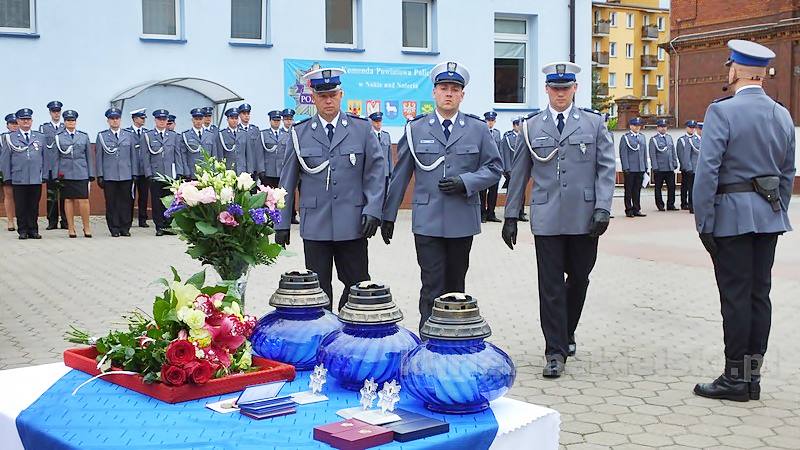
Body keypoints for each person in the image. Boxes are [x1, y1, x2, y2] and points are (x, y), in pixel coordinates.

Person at [693, 40, 795, 402]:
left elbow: (707, 170)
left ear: (735, 71)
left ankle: (734, 378)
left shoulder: (722, 112)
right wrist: (776, 208)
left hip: (731, 218)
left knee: (735, 298)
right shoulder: (782, 115)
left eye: (728, 67)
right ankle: (752, 377)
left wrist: (703, 220)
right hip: (768, 217)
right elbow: (787, 172)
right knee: (758, 296)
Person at [502, 62, 615, 378]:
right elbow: (519, 174)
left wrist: (603, 208)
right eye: (555, 89)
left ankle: (567, 331)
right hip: (547, 216)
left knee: (579, 278)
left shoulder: (593, 124)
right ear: (547, 90)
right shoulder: (532, 127)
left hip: (584, 216)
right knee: (550, 285)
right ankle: (554, 351)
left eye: (566, 88)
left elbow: (605, 169)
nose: (560, 94)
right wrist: (511, 215)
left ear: (575, 89)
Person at [382, 61, 502, 331]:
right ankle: (428, 339)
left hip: (462, 218)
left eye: (454, 89)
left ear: (462, 95)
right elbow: (401, 174)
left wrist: (466, 181)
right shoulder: (415, 129)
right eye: (443, 88)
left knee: (456, 284)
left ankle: (455, 336)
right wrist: (388, 216)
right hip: (428, 220)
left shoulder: (478, 129)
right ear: (434, 93)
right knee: (431, 283)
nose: (449, 93)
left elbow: (495, 168)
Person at [276, 67, 385, 311]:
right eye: (322, 95)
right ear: (313, 98)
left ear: (341, 95)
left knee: (357, 285)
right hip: (316, 225)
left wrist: (374, 209)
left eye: (332, 95)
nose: (328, 100)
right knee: (318, 289)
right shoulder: (299, 133)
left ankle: (349, 335)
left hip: (353, 223)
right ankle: (323, 338)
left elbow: (376, 173)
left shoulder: (361, 129)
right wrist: (282, 223)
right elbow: (287, 180)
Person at [0, 109, 46, 239]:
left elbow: (45, 157)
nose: (26, 121)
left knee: (33, 205)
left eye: (28, 119)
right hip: (18, 177)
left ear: (31, 121)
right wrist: (7, 177)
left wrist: (45, 174)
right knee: (20, 206)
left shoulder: (39, 137)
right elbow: (5, 159)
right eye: (22, 119)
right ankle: (23, 230)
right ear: (18, 121)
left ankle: (33, 230)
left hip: (35, 177)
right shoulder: (10, 137)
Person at [96, 108, 136, 237]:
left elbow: (133, 156)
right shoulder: (102, 136)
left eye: (117, 118)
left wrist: (134, 172)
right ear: (108, 120)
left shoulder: (128, 135)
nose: (115, 121)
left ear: (120, 120)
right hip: (110, 175)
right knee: (111, 202)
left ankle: (125, 227)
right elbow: (99, 157)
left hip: (126, 174)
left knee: (126, 201)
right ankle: (114, 228)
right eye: (112, 118)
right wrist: (100, 174)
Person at [54, 110, 94, 238]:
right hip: (65, 173)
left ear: (76, 122)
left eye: (73, 120)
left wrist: (91, 173)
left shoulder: (83, 136)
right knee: (68, 200)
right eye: (68, 120)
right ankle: (71, 228)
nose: (71, 122)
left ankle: (86, 227)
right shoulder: (59, 137)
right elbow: (56, 158)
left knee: (84, 200)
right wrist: (56, 174)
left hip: (81, 171)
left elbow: (89, 156)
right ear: (64, 122)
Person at [143, 109, 182, 236]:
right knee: (157, 202)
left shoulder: (174, 136)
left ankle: (169, 225)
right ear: (155, 120)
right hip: (155, 174)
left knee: (171, 201)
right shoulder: (148, 136)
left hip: (170, 175)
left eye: (164, 120)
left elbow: (178, 155)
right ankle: (159, 226)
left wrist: (179, 172)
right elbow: (145, 157)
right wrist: (148, 173)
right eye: (159, 119)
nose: (162, 122)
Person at [40, 100, 66, 230]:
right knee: (52, 195)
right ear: (50, 112)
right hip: (50, 167)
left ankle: (66, 220)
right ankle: (52, 221)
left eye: (58, 111)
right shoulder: (44, 128)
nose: (56, 114)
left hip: (63, 166)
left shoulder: (65, 126)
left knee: (65, 194)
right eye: (54, 111)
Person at [500, 116, 530, 222]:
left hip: (521, 169)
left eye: (521, 124)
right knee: (512, 192)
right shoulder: (508, 138)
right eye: (518, 124)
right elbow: (505, 154)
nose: (520, 126)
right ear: (514, 125)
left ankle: (521, 212)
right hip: (511, 169)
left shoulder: (525, 136)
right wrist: (507, 170)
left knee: (522, 192)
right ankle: (511, 213)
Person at [126, 108, 150, 228]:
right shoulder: (127, 132)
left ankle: (143, 219)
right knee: (131, 196)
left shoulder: (147, 132)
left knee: (144, 195)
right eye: (141, 118)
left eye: (144, 118)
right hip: (132, 169)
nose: (143, 120)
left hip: (144, 169)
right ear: (135, 119)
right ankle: (128, 219)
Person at [619, 117, 648, 218]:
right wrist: (625, 167)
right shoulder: (626, 138)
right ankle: (629, 209)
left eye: (638, 125)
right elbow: (623, 153)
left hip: (640, 168)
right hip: (630, 168)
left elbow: (644, 153)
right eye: (635, 125)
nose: (637, 127)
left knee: (637, 190)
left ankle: (637, 209)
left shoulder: (642, 137)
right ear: (631, 126)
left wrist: (645, 166)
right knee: (629, 190)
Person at [649, 118, 678, 211]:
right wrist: (655, 167)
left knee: (672, 187)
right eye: (661, 127)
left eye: (665, 127)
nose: (663, 129)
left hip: (669, 167)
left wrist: (674, 162)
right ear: (657, 128)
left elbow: (673, 151)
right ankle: (660, 205)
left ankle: (671, 204)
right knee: (658, 187)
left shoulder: (669, 137)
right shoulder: (653, 140)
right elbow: (652, 154)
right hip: (660, 168)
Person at [180, 108, 216, 179]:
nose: (198, 121)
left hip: (207, 172)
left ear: (203, 120)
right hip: (192, 172)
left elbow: (214, 155)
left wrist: (213, 170)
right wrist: (186, 171)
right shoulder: (186, 135)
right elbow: (183, 156)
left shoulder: (210, 135)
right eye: (196, 119)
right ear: (192, 120)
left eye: (200, 119)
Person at [480, 111, 502, 223]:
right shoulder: (480, 133)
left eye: (492, 121)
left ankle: (491, 213)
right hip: (483, 167)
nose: (490, 123)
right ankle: (482, 213)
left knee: (493, 192)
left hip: (495, 167)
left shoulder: (497, 133)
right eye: (488, 121)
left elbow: (500, 150)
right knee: (482, 192)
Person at [279, 108, 299, 224]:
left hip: (295, 168)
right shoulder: (280, 134)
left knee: (293, 192)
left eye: (290, 119)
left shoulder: (296, 131)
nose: (288, 122)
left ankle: (292, 215)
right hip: (280, 168)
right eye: (286, 119)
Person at [677, 120, 701, 213]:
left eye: (694, 128)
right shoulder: (684, 140)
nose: (692, 129)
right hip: (689, 168)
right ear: (687, 128)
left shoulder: (699, 139)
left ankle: (695, 204)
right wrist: (686, 167)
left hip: (698, 168)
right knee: (687, 187)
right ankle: (688, 204)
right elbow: (683, 155)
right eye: (690, 127)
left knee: (696, 188)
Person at [1, 114, 18, 231]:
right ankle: (10, 221)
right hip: (8, 171)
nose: (15, 126)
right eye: (12, 124)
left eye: (16, 123)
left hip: (21, 171)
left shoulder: (25, 137)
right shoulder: (2, 138)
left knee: (24, 196)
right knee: (9, 195)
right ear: (7, 125)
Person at [369, 111, 392, 197]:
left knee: (385, 195)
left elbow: (389, 155)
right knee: (374, 195)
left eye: (380, 121)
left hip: (385, 172)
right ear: (372, 122)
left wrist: (391, 171)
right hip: (373, 172)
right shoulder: (368, 136)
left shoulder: (386, 136)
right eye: (376, 121)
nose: (378, 124)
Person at [260, 110, 285, 188]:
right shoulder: (263, 134)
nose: (276, 122)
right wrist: (261, 170)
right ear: (270, 121)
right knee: (268, 197)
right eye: (274, 120)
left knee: (281, 197)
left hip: (282, 171)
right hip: (268, 171)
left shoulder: (286, 135)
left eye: (278, 120)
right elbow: (259, 154)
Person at [218, 108, 248, 174]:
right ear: (227, 120)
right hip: (228, 170)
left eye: (236, 118)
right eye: (232, 118)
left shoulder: (244, 133)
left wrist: (250, 170)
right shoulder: (222, 134)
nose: (234, 121)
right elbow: (220, 155)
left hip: (242, 170)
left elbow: (248, 154)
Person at [237, 103, 263, 180]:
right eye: (244, 113)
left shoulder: (255, 130)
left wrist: (260, 169)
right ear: (240, 115)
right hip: (240, 168)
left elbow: (259, 150)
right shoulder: (237, 130)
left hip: (253, 168)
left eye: (248, 113)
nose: (246, 116)